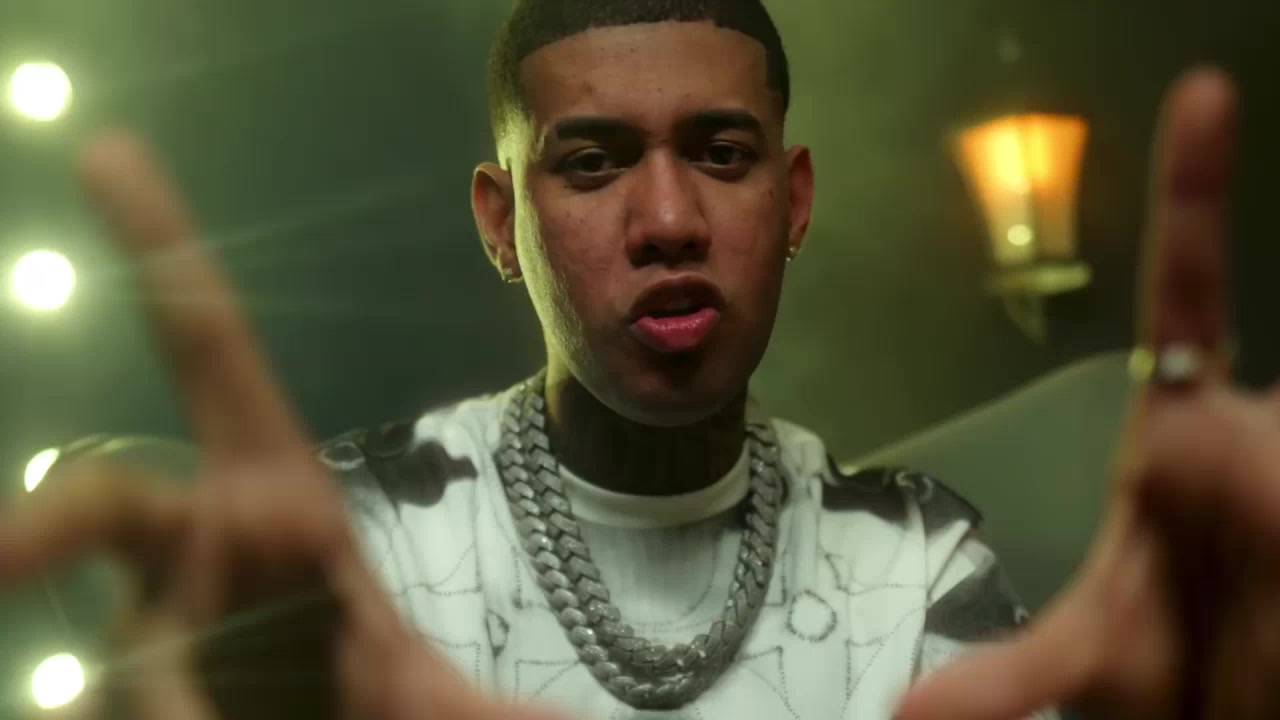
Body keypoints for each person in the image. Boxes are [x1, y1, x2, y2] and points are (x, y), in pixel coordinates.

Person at [0, 0, 1273, 718]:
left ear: (792, 200)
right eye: (593, 163)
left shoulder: (915, 562)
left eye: (719, 154)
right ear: (499, 221)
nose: (667, 221)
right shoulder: (357, 552)